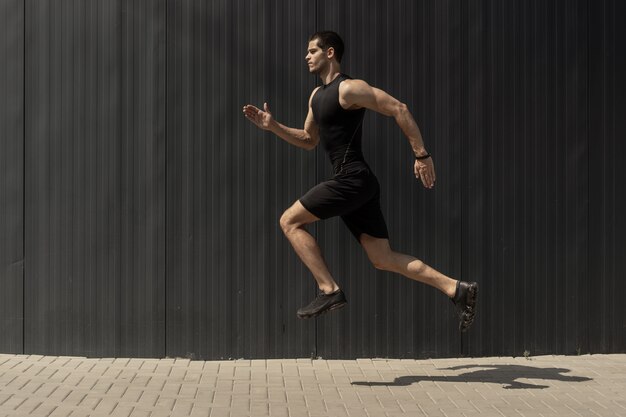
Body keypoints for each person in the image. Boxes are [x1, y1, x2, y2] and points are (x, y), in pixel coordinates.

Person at [243, 31, 478, 331]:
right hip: (357, 184)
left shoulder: (349, 89)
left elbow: (398, 108)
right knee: (383, 258)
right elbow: (308, 139)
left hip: (353, 178)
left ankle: (329, 290)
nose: (306, 56)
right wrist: (272, 126)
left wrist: (422, 154)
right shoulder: (316, 96)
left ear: (330, 53)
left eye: (312, 51)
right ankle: (457, 289)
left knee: (289, 221)